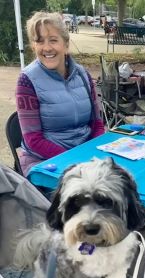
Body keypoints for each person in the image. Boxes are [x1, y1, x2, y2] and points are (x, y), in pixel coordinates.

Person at [16, 11, 105, 176]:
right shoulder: (26, 80)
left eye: (53, 40)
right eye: (40, 41)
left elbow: (97, 125)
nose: (47, 48)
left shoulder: (83, 75)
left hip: (84, 158)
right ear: (33, 46)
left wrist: (92, 155)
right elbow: (33, 140)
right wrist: (74, 161)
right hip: (44, 162)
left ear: (66, 44)